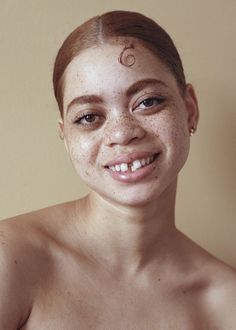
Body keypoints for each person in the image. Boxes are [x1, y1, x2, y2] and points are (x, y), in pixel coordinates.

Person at [0, 10, 235, 330]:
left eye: (148, 101)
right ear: (66, 137)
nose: (122, 133)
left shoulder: (226, 305)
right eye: (88, 117)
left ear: (189, 109)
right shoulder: (10, 258)